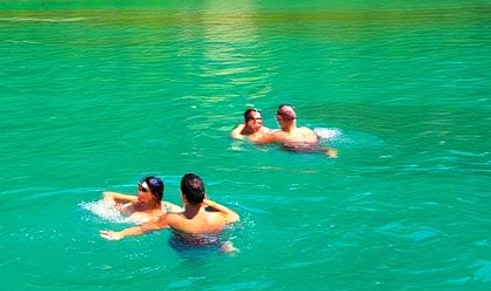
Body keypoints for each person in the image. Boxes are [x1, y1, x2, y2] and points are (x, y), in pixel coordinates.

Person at [100, 174, 239, 245]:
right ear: (203, 196)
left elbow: (143, 229)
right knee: (217, 240)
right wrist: (210, 202)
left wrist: (121, 234)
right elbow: (235, 217)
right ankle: (224, 245)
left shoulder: (173, 218)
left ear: (183, 195)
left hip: (186, 249)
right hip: (212, 245)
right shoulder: (220, 217)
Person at [252, 105, 337, 157]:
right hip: (318, 149)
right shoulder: (307, 130)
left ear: (279, 118)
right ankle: (329, 152)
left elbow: (255, 142)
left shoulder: (275, 135)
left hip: (298, 153)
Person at [99, 175, 172, 223]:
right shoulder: (136, 200)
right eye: (139, 189)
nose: (139, 193)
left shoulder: (159, 217)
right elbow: (108, 194)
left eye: (144, 190)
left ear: (155, 195)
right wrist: (110, 209)